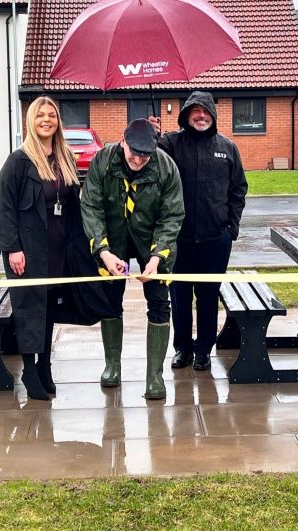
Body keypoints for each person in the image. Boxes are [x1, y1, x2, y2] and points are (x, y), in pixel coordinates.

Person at [0, 96, 113, 401]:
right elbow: (5, 209)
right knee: (29, 310)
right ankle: (29, 370)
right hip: (28, 250)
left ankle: (44, 366)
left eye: (52, 116)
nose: (46, 120)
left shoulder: (65, 158)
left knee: (48, 309)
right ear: (31, 122)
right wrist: (12, 249)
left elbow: (75, 205)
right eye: (40, 116)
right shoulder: (19, 161)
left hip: (58, 248)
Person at [80, 118, 184, 400]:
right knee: (110, 301)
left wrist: (156, 258)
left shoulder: (166, 167)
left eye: (145, 155)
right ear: (122, 141)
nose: (138, 160)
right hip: (113, 240)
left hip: (152, 240)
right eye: (133, 153)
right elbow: (90, 206)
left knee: (160, 304)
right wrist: (103, 250)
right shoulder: (102, 160)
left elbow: (172, 215)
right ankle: (112, 366)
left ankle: (155, 377)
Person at [151, 91, 248, 371]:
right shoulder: (171, 143)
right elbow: (150, 158)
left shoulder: (227, 148)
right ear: (186, 115)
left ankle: (204, 349)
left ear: (213, 116)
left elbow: (239, 189)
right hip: (179, 239)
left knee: (208, 296)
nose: (201, 116)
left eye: (205, 112)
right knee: (180, 297)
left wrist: (232, 227)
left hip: (216, 239)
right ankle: (183, 348)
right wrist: (152, 133)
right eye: (195, 112)